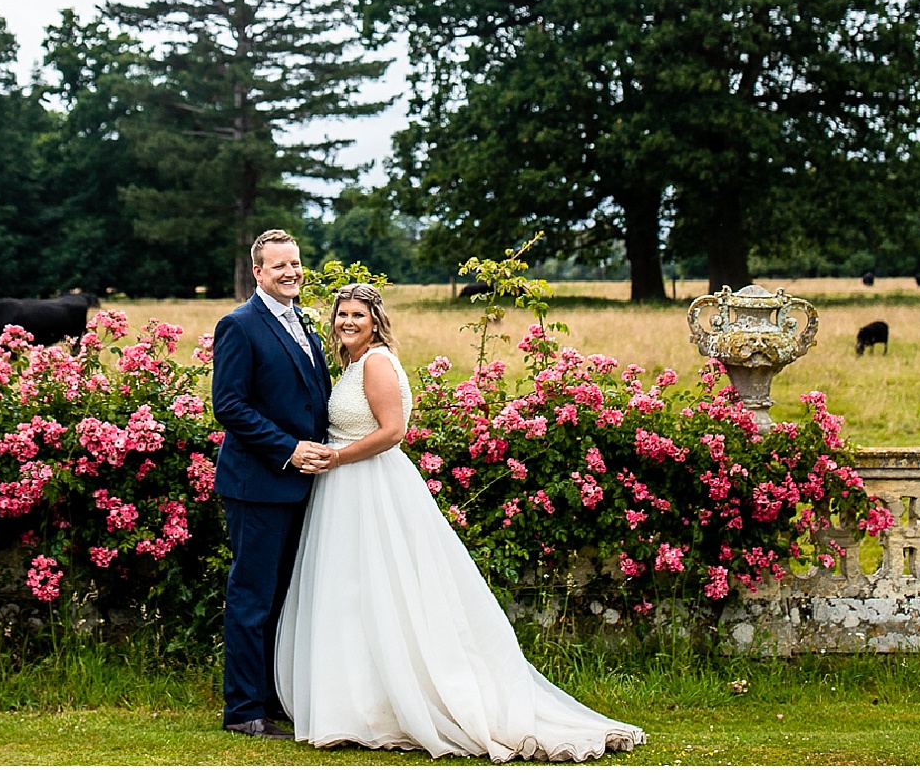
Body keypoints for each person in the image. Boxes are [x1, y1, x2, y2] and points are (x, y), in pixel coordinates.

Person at [274, 283, 645, 762]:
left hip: (369, 485)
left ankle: (405, 701)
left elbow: (392, 433)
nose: (348, 322)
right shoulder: (351, 364)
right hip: (345, 490)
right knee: (355, 594)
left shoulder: (377, 362)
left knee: (388, 592)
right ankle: (357, 703)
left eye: (357, 315)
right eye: (342, 314)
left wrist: (337, 458)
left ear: (375, 320)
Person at [208, 229, 334, 740]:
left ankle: (270, 699)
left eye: (296, 264)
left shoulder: (302, 321)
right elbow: (229, 406)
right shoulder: (239, 325)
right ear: (257, 272)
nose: (291, 272)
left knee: (282, 598)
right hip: (258, 483)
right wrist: (288, 449)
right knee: (252, 598)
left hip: (300, 484)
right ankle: (243, 711)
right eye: (278, 265)